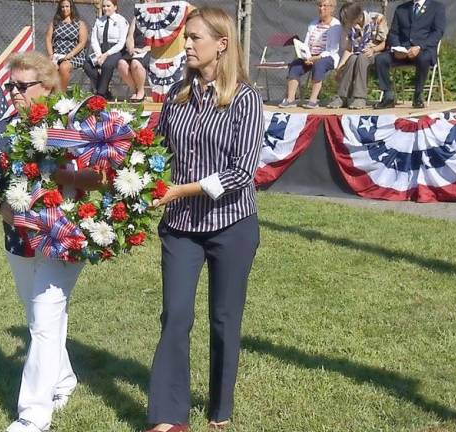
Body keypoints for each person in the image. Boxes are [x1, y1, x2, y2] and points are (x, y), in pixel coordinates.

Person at [0, 51, 108, 432]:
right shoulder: (1, 130)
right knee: (39, 319)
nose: (13, 92)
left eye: (22, 86)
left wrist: (57, 172)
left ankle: (33, 417)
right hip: (17, 241)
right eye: (10, 86)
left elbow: (99, 177)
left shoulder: (71, 123)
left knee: (45, 321)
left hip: (63, 236)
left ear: (47, 86)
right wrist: (2, 208)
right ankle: (63, 381)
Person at [145, 7, 263, 432]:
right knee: (175, 315)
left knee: (224, 319)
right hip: (181, 229)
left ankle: (220, 410)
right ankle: (168, 417)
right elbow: (155, 151)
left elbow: (241, 172)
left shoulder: (246, 99)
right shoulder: (176, 97)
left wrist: (181, 190)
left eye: (196, 38)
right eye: (186, 37)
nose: (187, 45)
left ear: (222, 44)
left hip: (232, 225)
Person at [374, 0, 445, 109]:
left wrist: (419, 46)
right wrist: (397, 48)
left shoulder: (437, 7)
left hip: (423, 50)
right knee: (381, 59)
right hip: (402, 51)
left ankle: (418, 95)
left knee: (424, 58)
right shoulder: (401, 9)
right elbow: (393, 33)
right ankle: (388, 96)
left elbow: (438, 32)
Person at [278, 0, 342, 109]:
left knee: (319, 65)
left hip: (327, 57)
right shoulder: (313, 23)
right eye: (319, 5)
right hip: (310, 56)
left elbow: (332, 49)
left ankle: (313, 100)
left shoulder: (336, 25)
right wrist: (305, 56)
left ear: (332, 9)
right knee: (295, 65)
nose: (321, 8)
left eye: (324, 6)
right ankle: (290, 99)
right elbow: (306, 43)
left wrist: (316, 58)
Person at [328, 2, 388, 109]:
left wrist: (373, 49)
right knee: (352, 58)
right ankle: (342, 96)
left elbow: (386, 42)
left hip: (377, 52)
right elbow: (349, 49)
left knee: (361, 58)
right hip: (359, 53)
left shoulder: (377, 19)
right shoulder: (351, 27)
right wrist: (339, 68)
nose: (347, 24)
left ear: (357, 16)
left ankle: (360, 97)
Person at [82, 0, 129, 98]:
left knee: (107, 65)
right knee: (87, 65)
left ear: (115, 7)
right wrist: (99, 54)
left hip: (116, 51)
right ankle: (105, 91)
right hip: (101, 50)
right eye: (104, 6)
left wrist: (106, 55)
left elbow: (121, 43)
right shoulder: (99, 21)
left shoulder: (121, 20)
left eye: (108, 6)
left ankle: (100, 95)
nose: (105, 8)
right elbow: (94, 39)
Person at [45, 0, 88, 90]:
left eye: (67, 6)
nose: (65, 9)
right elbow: (48, 39)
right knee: (50, 67)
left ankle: (61, 95)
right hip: (57, 55)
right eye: (62, 7)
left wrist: (70, 55)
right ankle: (50, 94)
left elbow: (82, 42)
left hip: (74, 56)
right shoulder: (54, 23)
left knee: (64, 67)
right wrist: (50, 55)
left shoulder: (79, 24)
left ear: (71, 7)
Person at [116, 0, 154, 103]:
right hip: (135, 49)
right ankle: (134, 90)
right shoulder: (137, 16)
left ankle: (141, 91)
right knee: (121, 64)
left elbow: (160, 39)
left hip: (149, 49)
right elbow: (130, 36)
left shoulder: (158, 17)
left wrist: (146, 49)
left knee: (135, 63)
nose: (146, 1)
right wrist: (131, 48)